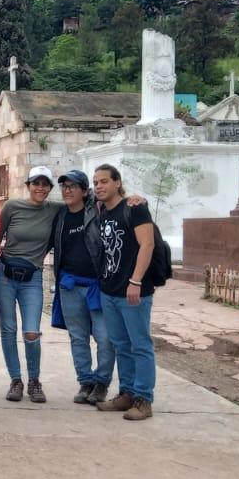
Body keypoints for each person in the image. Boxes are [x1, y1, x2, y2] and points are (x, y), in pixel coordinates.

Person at [92, 164, 157, 421]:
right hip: (110, 290)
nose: (98, 186)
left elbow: (147, 244)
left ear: (118, 183)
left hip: (134, 290)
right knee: (121, 345)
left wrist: (136, 280)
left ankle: (144, 399)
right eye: (95, 182)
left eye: (104, 181)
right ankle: (127, 394)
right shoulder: (103, 212)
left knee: (140, 345)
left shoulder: (135, 208)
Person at [0, 166, 59, 404]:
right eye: (36, 183)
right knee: (8, 329)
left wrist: (132, 198)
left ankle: (34, 380)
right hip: (5, 274)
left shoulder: (55, 210)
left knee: (31, 331)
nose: (40, 188)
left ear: (50, 188)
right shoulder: (12, 207)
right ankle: (16, 380)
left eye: (45, 184)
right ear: (28, 185)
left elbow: (86, 199)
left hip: (32, 277)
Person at [53, 169, 117, 407]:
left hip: (97, 286)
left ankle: (102, 383)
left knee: (105, 337)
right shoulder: (59, 215)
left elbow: (121, 205)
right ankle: (85, 382)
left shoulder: (97, 211)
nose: (67, 190)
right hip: (69, 285)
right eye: (64, 187)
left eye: (73, 186)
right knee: (78, 337)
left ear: (85, 191)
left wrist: (137, 199)